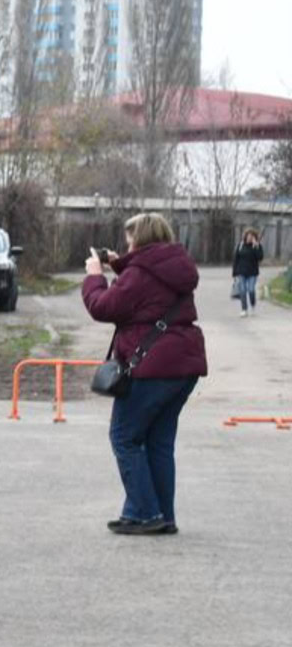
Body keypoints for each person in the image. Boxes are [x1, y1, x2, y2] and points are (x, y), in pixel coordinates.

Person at [83, 212, 208, 535]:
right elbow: (149, 289)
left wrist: (95, 277)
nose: (127, 246)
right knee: (158, 442)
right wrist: (120, 265)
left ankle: (147, 514)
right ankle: (161, 515)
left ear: (139, 240)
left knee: (124, 437)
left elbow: (103, 307)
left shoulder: (139, 273)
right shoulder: (177, 266)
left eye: (129, 241)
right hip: (183, 365)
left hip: (152, 366)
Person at [232, 228, 264, 318]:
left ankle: (253, 306)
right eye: (249, 235)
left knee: (251, 290)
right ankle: (244, 310)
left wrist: (256, 246)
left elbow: (260, 258)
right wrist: (234, 273)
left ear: (255, 237)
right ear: (245, 236)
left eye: (252, 236)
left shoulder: (257, 246)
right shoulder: (240, 245)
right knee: (242, 291)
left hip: (252, 273)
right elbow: (236, 259)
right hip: (241, 272)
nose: (250, 237)